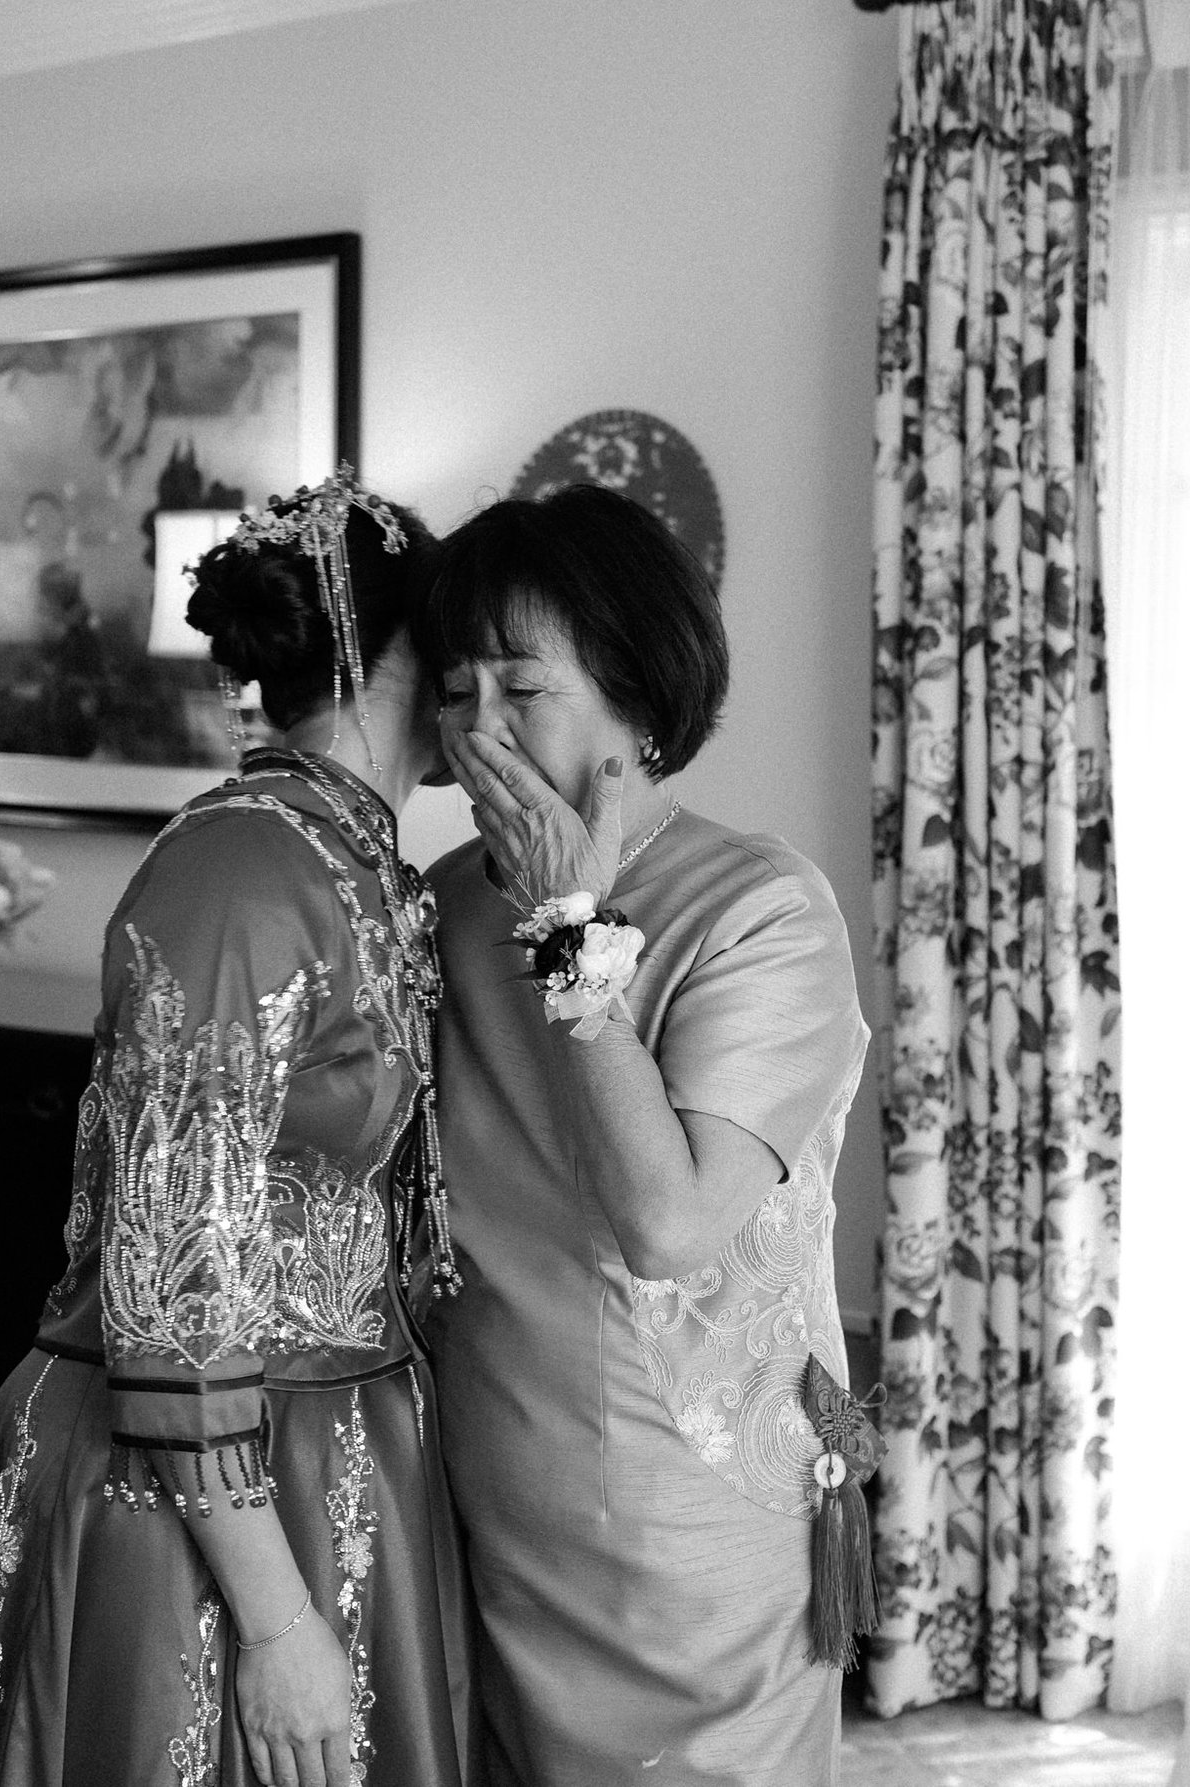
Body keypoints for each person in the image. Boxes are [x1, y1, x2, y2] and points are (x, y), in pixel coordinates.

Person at [0, 468, 474, 1787]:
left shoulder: (360, 862)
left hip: (336, 1430)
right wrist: (276, 1618)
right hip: (199, 1483)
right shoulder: (241, 869)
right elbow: (172, 1273)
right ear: (388, 646)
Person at [418, 484, 871, 1787]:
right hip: (495, 1482)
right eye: (456, 691)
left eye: (521, 685)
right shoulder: (442, 904)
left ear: (637, 701)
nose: (479, 731)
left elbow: (668, 1226)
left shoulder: (762, 909)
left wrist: (568, 923)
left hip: (690, 1515)